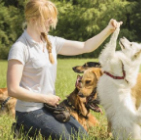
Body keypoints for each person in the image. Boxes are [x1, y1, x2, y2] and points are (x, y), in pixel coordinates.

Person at [7, 0, 122, 139]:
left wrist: (108, 30)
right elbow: (13, 89)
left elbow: (86, 46)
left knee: (82, 136)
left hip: (49, 108)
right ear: (33, 19)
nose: (51, 21)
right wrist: (45, 98)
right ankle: (23, 127)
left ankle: (27, 132)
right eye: (47, 18)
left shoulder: (51, 42)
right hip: (29, 111)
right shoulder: (20, 48)